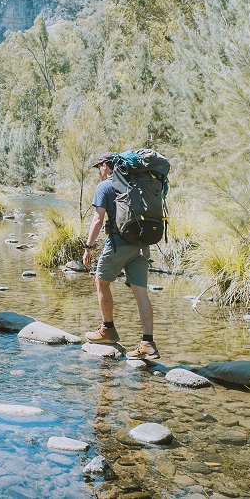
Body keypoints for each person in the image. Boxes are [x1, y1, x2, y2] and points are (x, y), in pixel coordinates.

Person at [82, 152, 160, 359]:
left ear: (106, 166)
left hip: (119, 243)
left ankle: (108, 330)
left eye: (99, 166)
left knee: (102, 282)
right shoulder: (136, 184)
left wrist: (88, 246)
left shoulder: (106, 186)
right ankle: (147, 343)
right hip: (142, 244)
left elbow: (98, 220)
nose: (99, 171)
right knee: (141, 292)